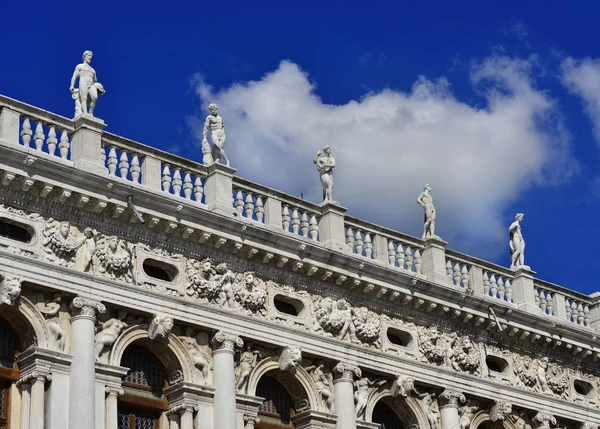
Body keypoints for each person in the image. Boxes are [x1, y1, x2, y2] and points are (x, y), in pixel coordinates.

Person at [70, 50, 105, 116]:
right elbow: (74, 76)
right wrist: (72, 85)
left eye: (91, 56)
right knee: (84, 98)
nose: (90, 57)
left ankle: (91, 112)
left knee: (94, 97)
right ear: (84, 56)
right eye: (89, 55)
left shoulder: (93, 70)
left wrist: (100, 88)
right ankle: (85, 113)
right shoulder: (80, 66)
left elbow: (95, 81)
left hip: (91, 85)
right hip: (83, 82)